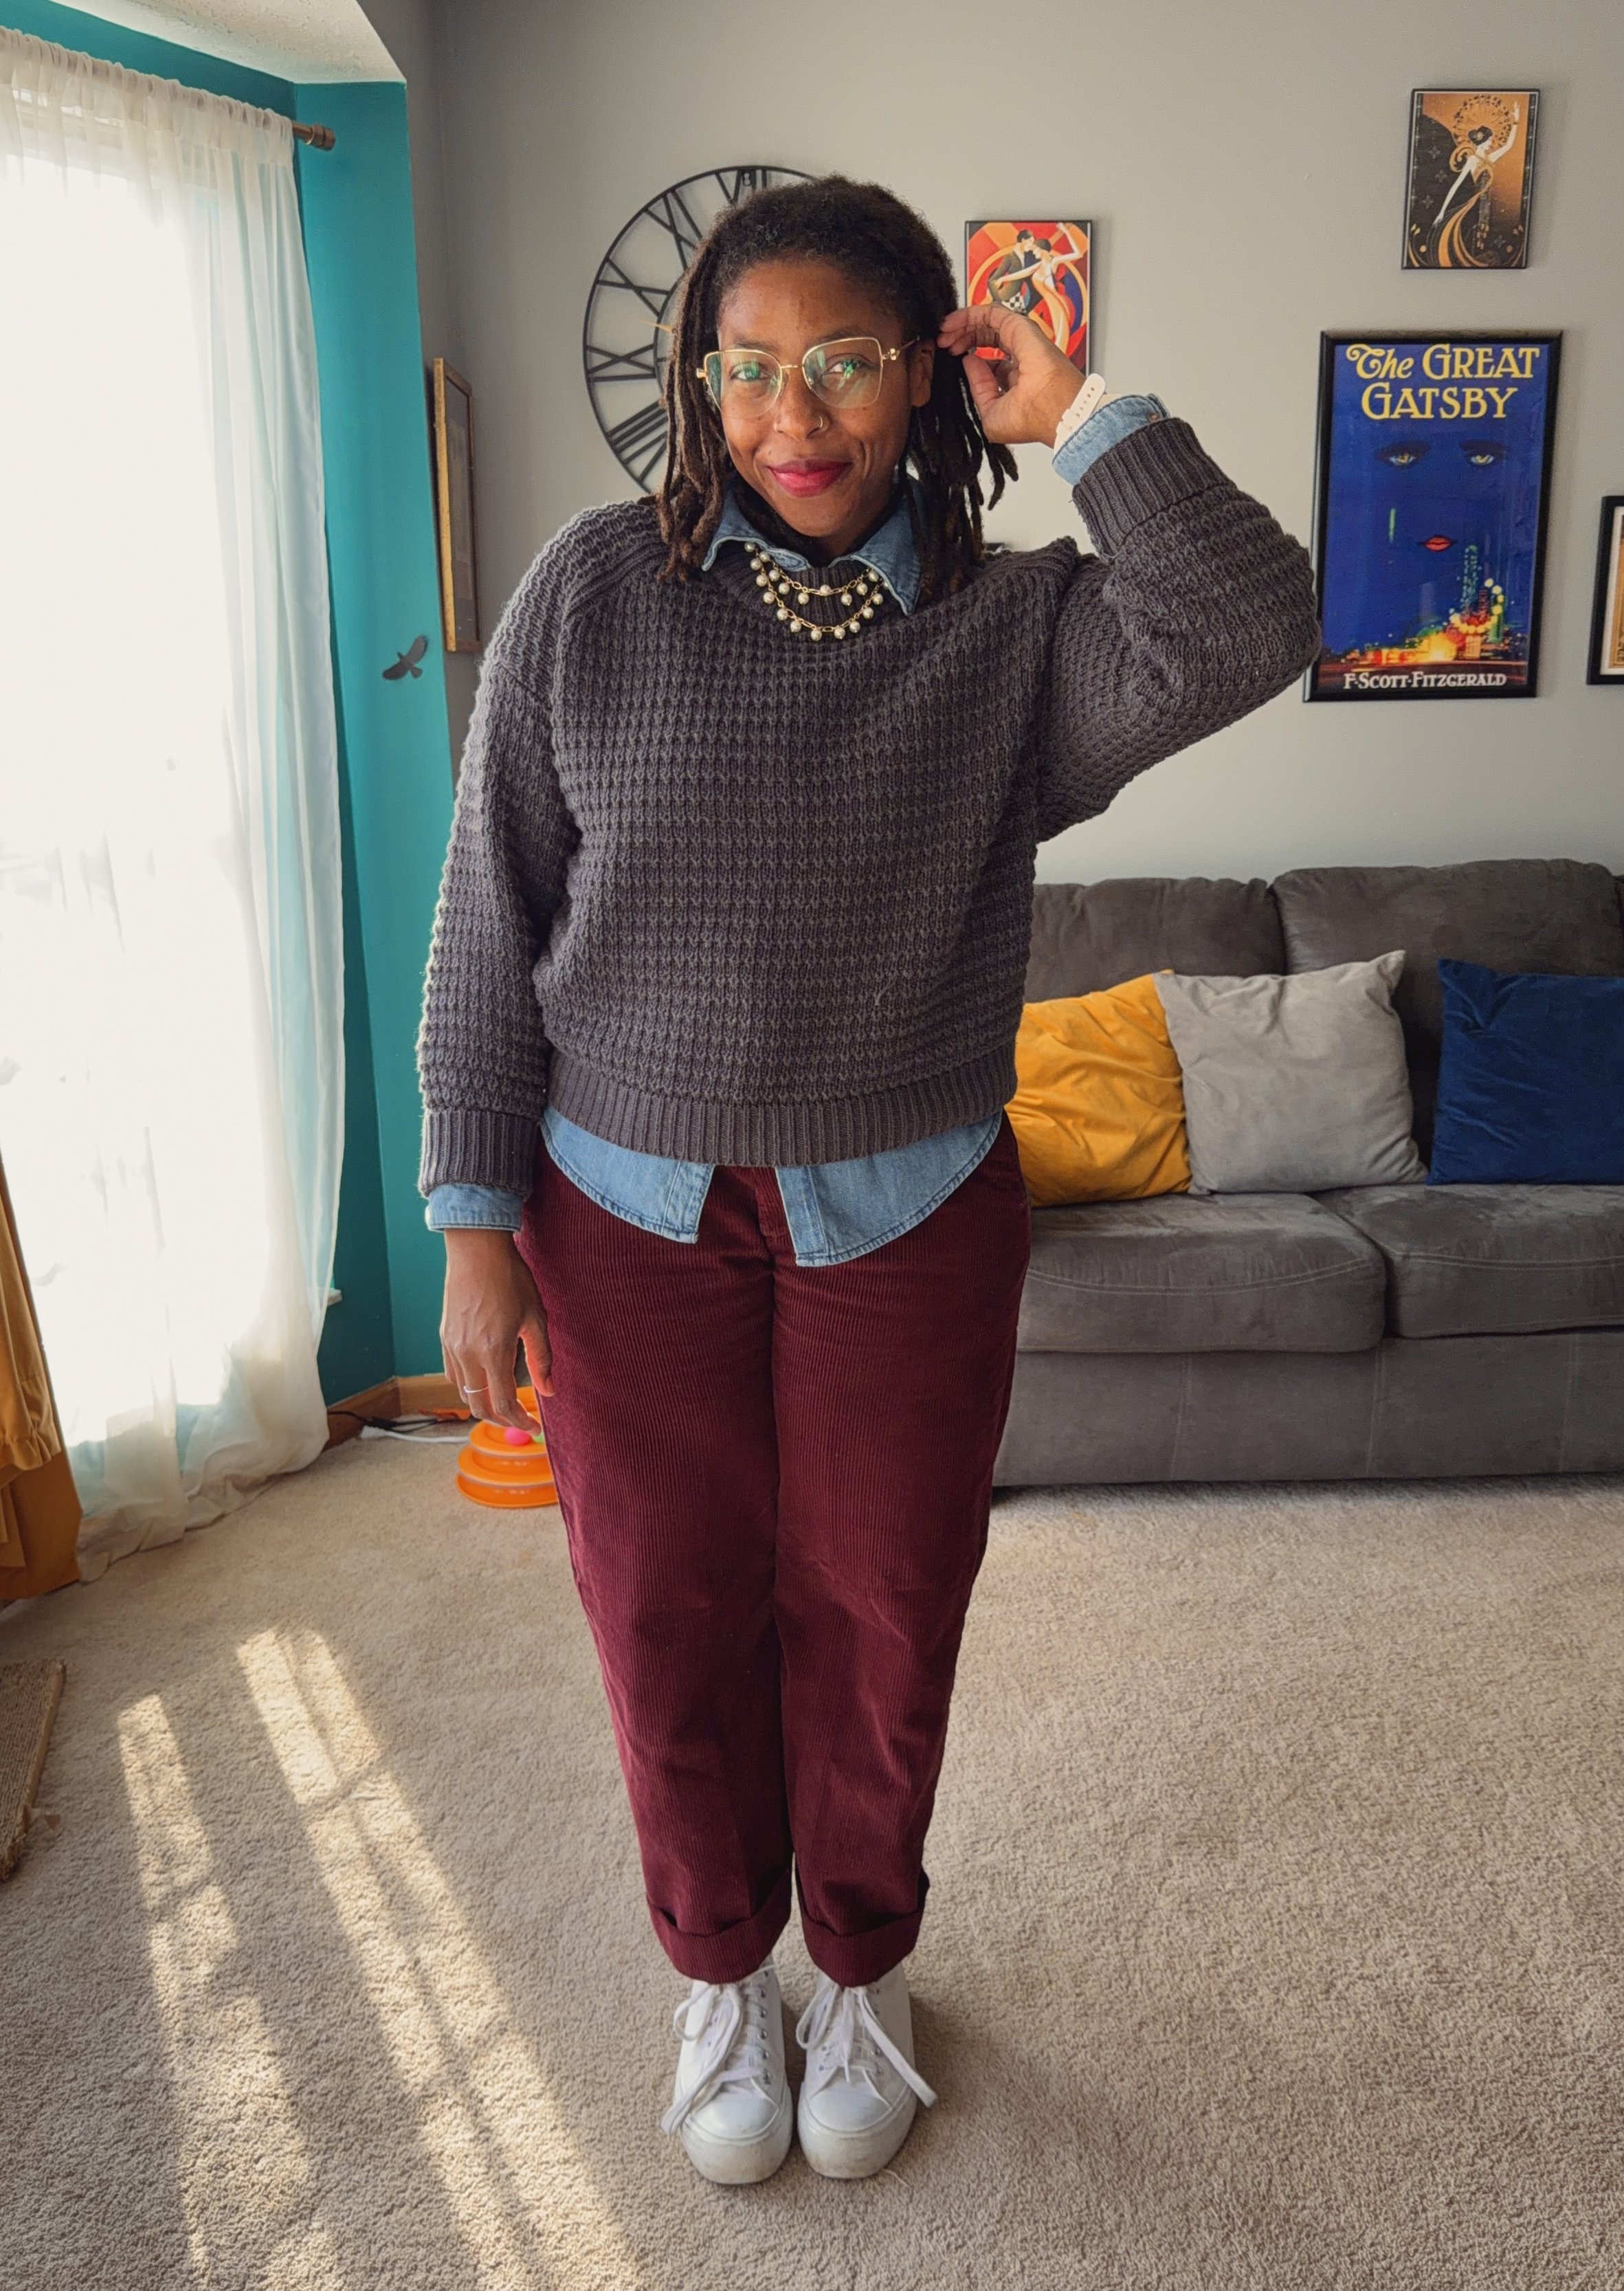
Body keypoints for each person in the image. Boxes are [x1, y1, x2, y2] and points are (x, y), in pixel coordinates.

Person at [418, 175, 1317, 2187]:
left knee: (884, 1611)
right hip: (620, 1217)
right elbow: (489, 926)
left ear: (927, 370)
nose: (789, 416)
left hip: (903, 1213)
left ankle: (861, 1966)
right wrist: (474, 1225)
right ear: (698, 383)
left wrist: (1077, 414)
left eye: (840, 363)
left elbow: (1250, 618)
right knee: (665, 1612)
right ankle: (720, 1972)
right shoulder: (588, 594)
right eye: (744, 371)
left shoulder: (1020, 634)